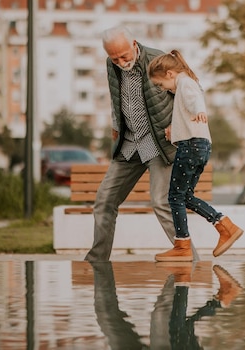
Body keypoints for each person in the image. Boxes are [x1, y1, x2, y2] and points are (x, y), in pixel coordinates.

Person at [84, 26, 186, 262]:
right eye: (114, 57)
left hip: (158, 143)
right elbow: (116, 96)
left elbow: (186, 92)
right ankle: (96, 261)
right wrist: (115, 124)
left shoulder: (157, 59)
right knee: (104, 201)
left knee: (161, 202)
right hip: (129, 143)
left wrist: (177, 126)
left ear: (134, 44)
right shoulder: (112, 65)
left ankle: (190, 260)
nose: (120, 61)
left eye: (124, 55)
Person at [146, 49, 244, 262]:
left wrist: (199, 110)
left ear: (170, 74)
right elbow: (187, 105)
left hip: (190, 147)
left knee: (174, 197)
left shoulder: (185, 84)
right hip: (200, 146)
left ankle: (182, 245)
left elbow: (194, 100)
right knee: (185, 196)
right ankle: (225, 226)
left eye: (161, 84)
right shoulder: (183, 84)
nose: (162, 89)